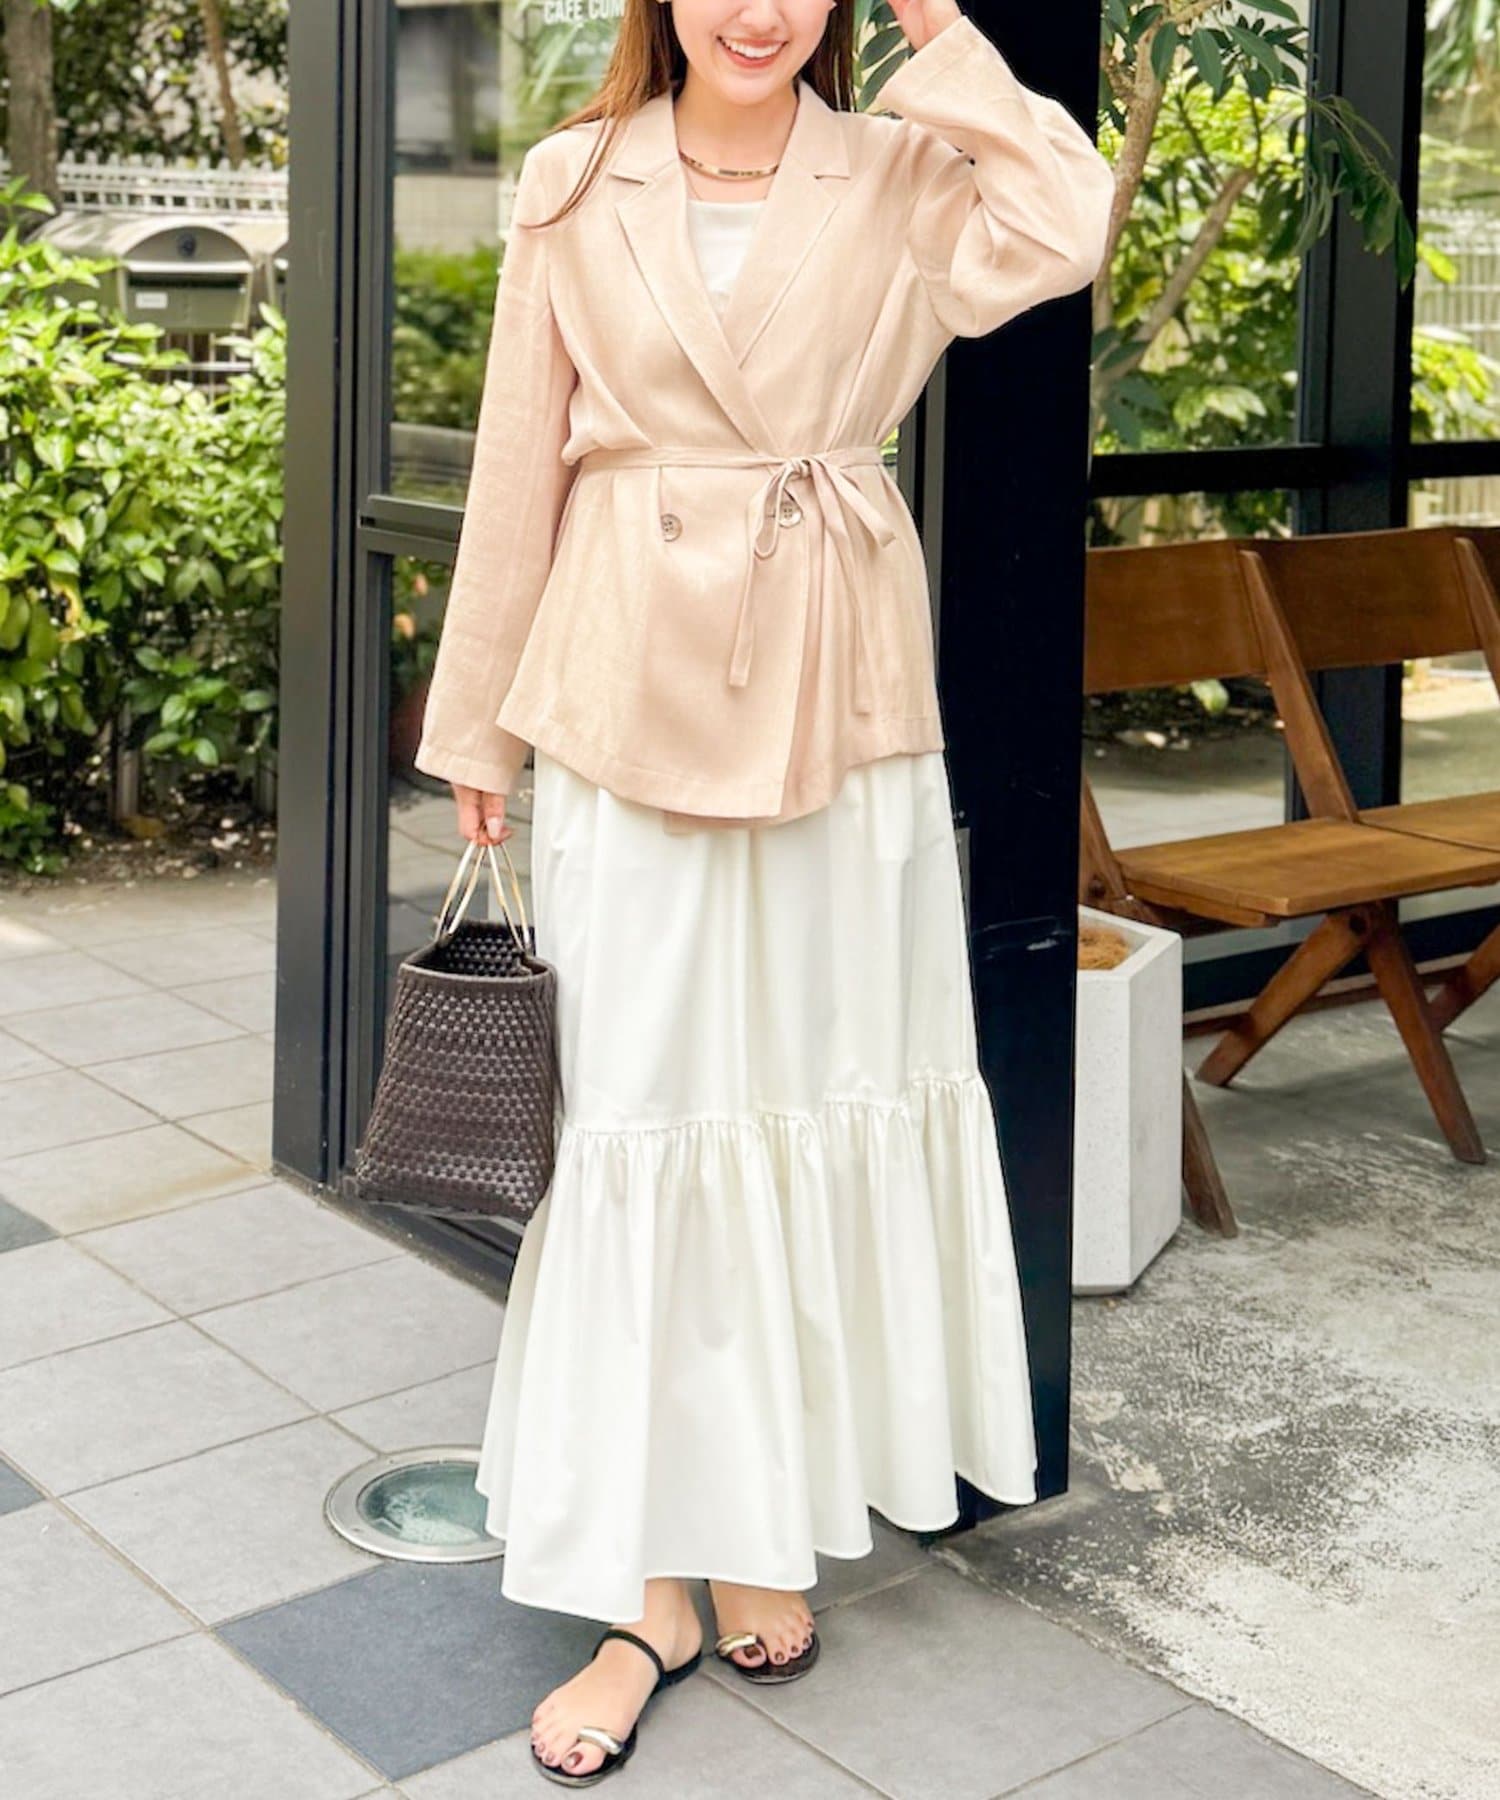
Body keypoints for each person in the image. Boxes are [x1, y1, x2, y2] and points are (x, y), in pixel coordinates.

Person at [413, 0, 1115, 1784]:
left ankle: (751, 1529)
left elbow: (1068, 220)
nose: (757, 11)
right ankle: (645, 1589)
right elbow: (516, 461)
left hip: (837, 692)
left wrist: (944, 31)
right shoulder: (576, 179)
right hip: (623, 687)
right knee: (644, 1119)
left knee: (805, 1097)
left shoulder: (896, 167)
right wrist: (478, 725)